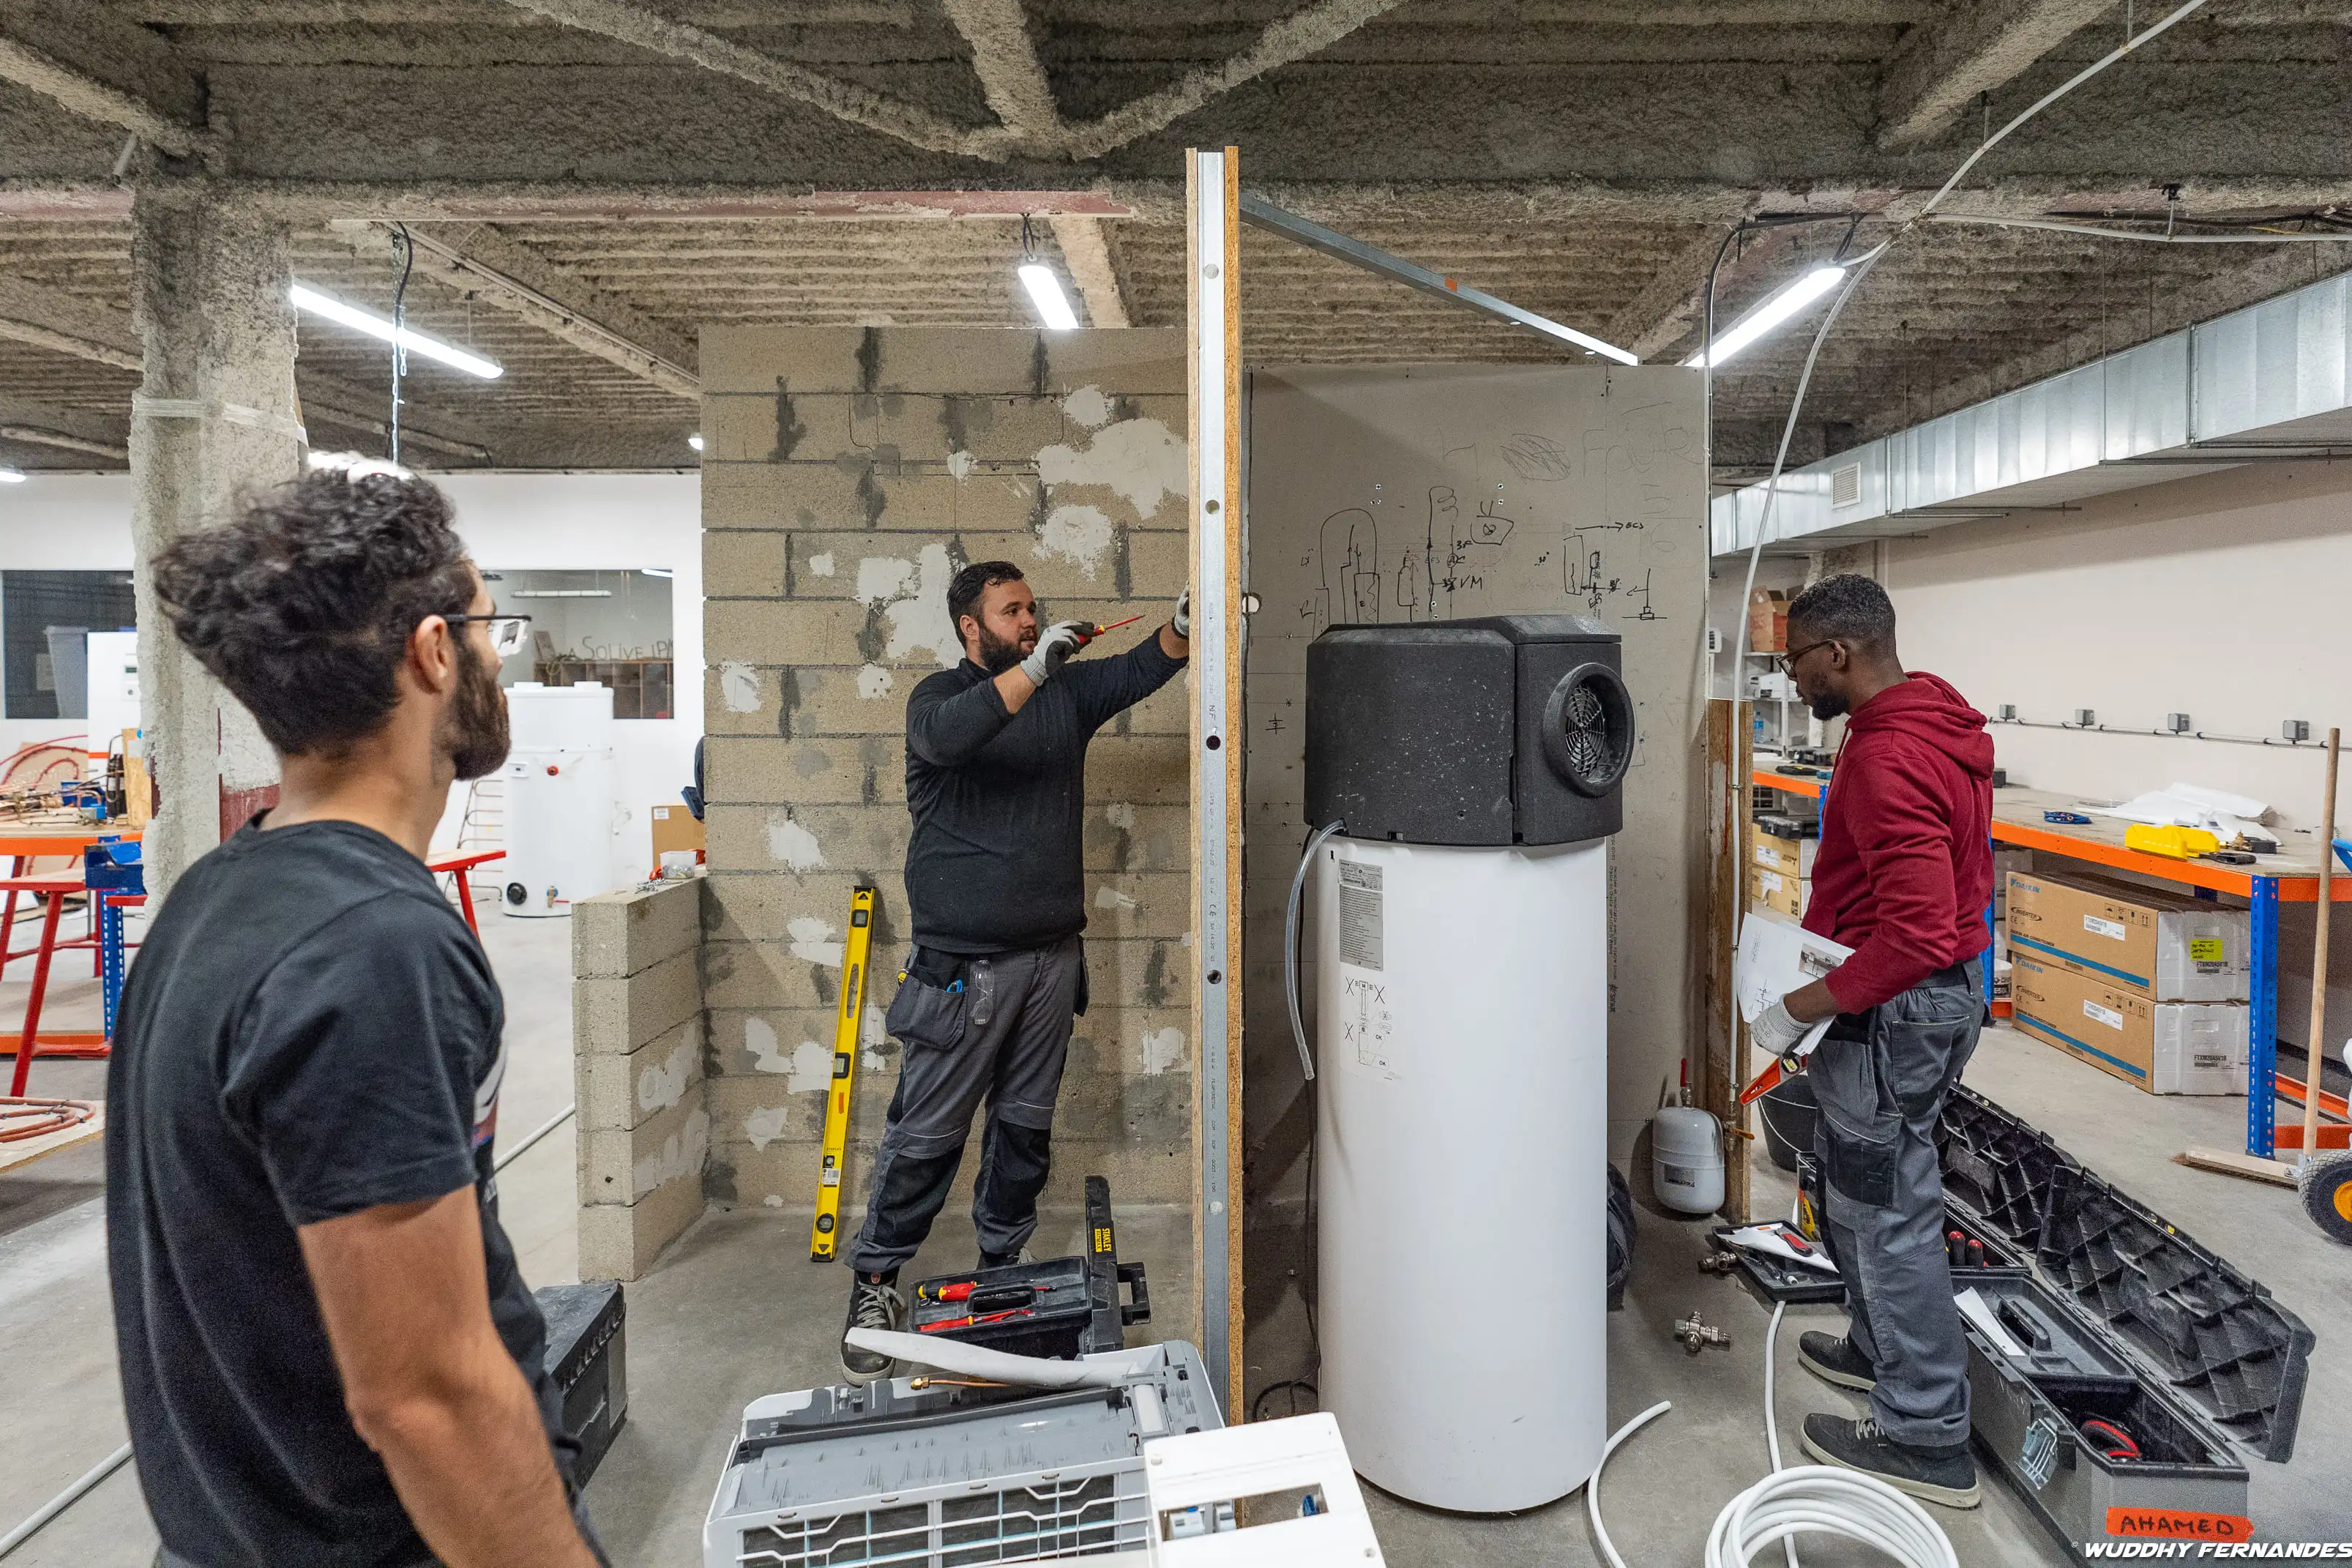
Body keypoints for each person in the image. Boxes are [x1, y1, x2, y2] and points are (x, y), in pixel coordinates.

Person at [109, 468, 604, 1568]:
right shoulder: (372, 950)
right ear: (434, 652)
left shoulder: (217, 898)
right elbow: (423, 1393)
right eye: (488, 630)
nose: (494, 659)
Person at [839, 561, 1189, 1382]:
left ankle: (1002, 1261)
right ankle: (875, 1284)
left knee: (1023, 1131)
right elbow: (949, 739)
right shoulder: (938, 702)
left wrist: (1180, 624)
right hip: (963, 973)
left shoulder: (1064, 697)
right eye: (1013, 611)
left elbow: (1144, 667)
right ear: (972, 628)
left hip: (1049, 964)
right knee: (926, 1137)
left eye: (1033, 609)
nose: (1030, 620)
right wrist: (1034, 670)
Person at [1749, 572, 1994, 1509]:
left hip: (1897, 1008)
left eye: (1797, 660)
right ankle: (1874, 1347)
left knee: (1890, 1214)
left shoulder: (1891, 759)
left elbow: (1920, 931)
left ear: (1839, 655)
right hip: (1915, 1002)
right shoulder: (1926, 724)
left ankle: (1925, 1432)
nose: (1792, 679)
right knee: (1854, 1188)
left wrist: (1803, 1003)